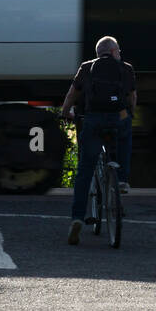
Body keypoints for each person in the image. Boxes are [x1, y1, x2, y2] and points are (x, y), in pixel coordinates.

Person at [59, 36, 136, 245]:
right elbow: (131, 99)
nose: (119, 54)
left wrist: (65, 113)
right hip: (117, 118)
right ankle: (121, 179)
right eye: (118, 51)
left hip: (93, 120)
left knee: (84, 170)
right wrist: (128, 114)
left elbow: (71, 95)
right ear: (112, 51)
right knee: (126, 131)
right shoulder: (126, 68)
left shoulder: (86, 67)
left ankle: (76, 219)